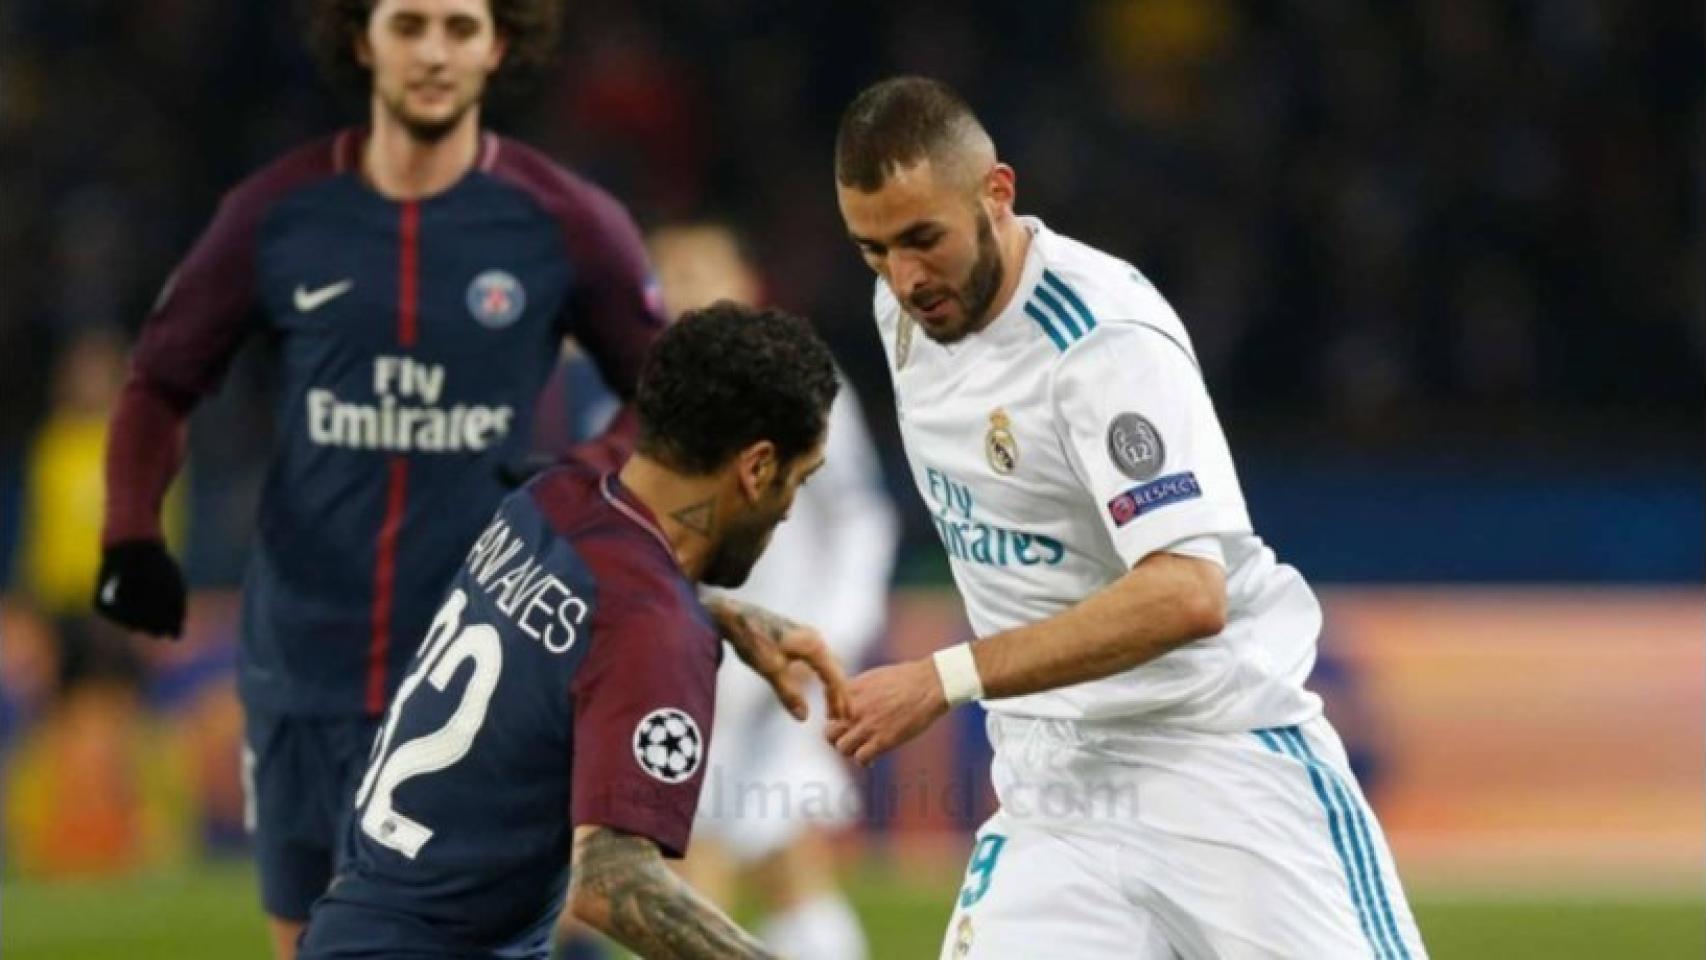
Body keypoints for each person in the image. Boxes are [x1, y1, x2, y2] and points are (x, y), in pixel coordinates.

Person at [90, 2, 669, 956]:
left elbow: (667, 395)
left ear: (499, 44)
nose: (434, 52)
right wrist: (131, 533)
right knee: (312, 943)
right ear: (364, 40)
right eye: (409, 25)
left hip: (479, 672)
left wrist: (581, 478)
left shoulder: (565, 221)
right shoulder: (276, 213)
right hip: (302, 665)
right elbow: (160, 380)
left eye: (459, 27)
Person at [824, 77, 1428, 959]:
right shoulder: (905, 312)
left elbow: (1187, 592)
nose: (905, 278)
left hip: (1216, 764)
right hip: (1056, 788)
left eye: (923, 239)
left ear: (998, 193)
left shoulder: (1102, 341)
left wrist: (944, 678)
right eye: (873, 249)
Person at [299, 302, 841, 960]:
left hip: (357, 923)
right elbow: (612, 882)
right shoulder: (655, 629)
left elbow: (591, 619)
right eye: (798, 480)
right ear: (756, 468)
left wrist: (714, 614)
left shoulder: (545, 503)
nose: (788, 511)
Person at [649, 223, 898, 960]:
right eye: (670, 275)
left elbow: (860, 515)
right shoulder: (638, 392)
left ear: (745, 284)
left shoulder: (798, 382)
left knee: (702, 857)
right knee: (776, 860)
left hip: (779, 661)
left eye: (701, 271)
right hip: (685, 662)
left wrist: (833, 631)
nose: (686, 291)